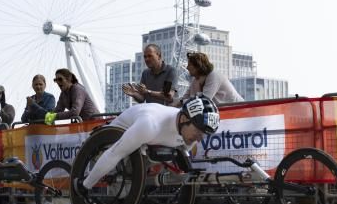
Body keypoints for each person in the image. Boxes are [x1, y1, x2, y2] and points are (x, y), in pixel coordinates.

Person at [76, 94, 220, 192]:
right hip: (119, 137)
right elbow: (113, 154)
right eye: (198, 132)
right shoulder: (150, 125)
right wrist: (85, 185)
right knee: (118, 158)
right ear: (183, 119)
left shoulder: (188, 132)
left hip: (147, 143)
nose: (199, 139)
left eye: (204, 134)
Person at [173, 52, 243, 106]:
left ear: (198, 66)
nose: (187, 67)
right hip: (224, 111)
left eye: (189, 65)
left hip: (239, 109)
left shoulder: (214, 76)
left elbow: (204, 100)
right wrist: (172, 101)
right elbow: (184, 98)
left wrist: (182, 102)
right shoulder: (195, 80)